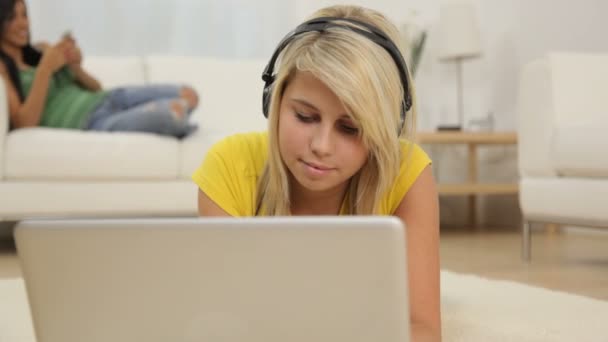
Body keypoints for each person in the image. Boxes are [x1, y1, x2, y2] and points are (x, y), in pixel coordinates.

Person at [192, 5, 440, 341]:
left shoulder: (407, 172)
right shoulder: (229, 165)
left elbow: (424, 329)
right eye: (305, 117)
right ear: (274, 102)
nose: (322, 146)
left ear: (385, 131)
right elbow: (225, 320)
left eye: (350, 128)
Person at [0, 0, 198, 138]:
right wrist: (45, 69)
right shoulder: (4, 69)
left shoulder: (41, 49)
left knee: (189, 94)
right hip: (93, 121)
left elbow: (96, 88)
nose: (23, 23)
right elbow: (24, 123)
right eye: (12, 17)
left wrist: (75, 66)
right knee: (174, 112)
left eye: (24, 15)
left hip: (109, 98)